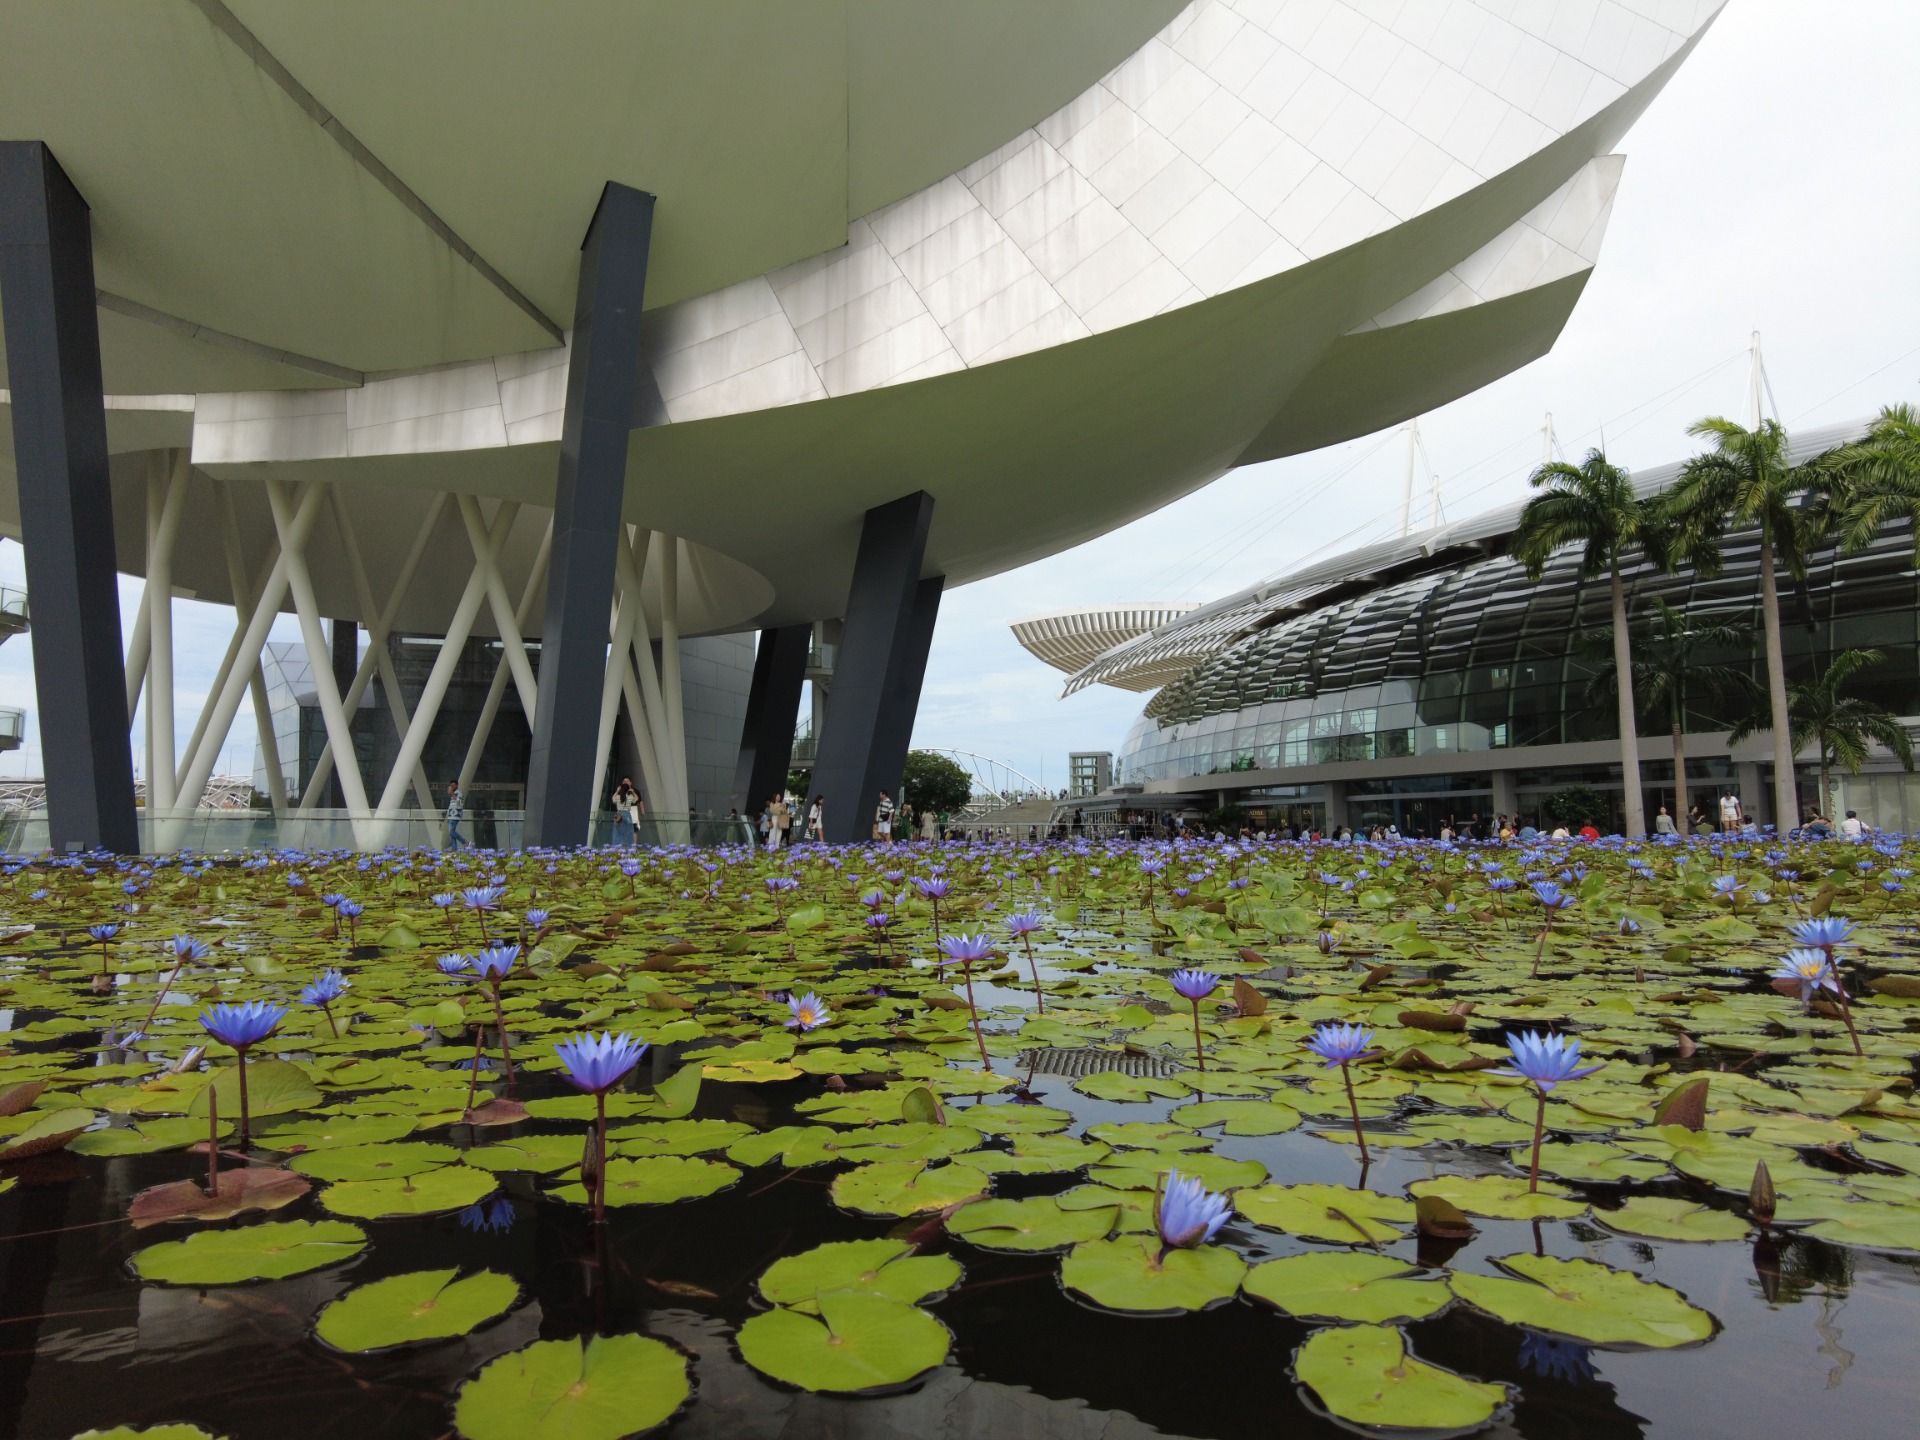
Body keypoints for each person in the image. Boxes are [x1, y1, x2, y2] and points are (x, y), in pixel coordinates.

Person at [610, 777, 640, 846]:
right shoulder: (630, 796)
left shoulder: (618, 796)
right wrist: (632, 791)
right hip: (627, 815)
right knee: (628, 834)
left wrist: (617, 791)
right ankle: (627, 851)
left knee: (617, 834)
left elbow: (613, 799)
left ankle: (617, 850)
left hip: (618, 815)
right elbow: (637, 799)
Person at [444, 780, 465, 851]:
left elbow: (460, 804)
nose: (452, 787)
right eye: (451, 786)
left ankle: (465, 842)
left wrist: (452, 794)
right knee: (451, 833)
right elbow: (451, 806)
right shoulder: (453, 795)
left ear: (457, 785)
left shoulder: (459, 793)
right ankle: (454, 849)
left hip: (455, 816)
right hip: (451, 816)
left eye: (453, 785)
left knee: (451, 832)